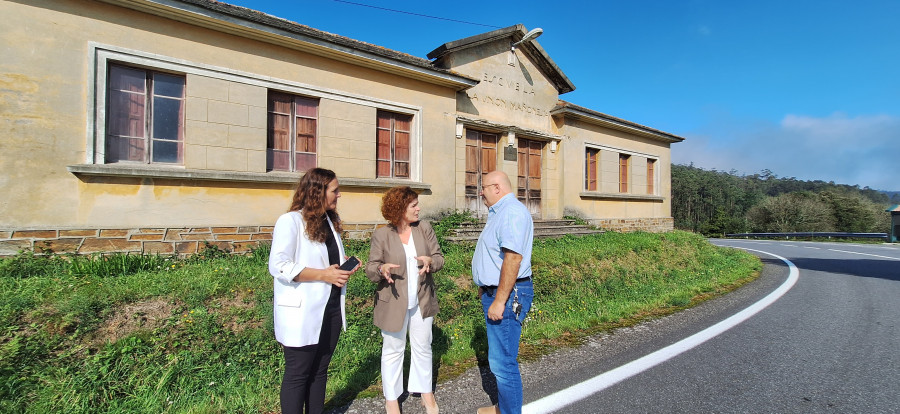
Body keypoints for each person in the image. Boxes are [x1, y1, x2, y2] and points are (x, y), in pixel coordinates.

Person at [268, 168, 360, 414]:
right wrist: (324, 274)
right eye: (335, 190)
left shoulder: (328, 222)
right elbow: (278, 265)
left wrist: (341, 267)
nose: (339, 195)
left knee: (320, 371)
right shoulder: (290, 221)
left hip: (330, 309)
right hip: (302, 312)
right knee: (298, 374)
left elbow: (326, 262)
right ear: (318, 192)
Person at [366, 186, 444, 414]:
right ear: (399, 208)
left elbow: (439, 258)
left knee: (423, 346)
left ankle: (426, 393)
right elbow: (370, 269)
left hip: (422, 299)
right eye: (413, 205)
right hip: (393, 301)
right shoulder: (382, 234)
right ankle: (392, 399)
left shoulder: (425, 228)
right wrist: (382, 269)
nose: (419, 208)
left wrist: (430, 261)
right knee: (393, 348)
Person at [472, 171, 534, 414]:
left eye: (484, 187)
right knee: (499, 359)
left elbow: (513, 258)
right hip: (496, 291)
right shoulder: (500, 212)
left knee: (503, 364)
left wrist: (499, 300)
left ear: (497, 187)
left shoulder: (511, 212)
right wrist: (484, 285)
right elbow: (495, 255)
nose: (481, 192)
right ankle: (502, 408)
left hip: (507, 294)